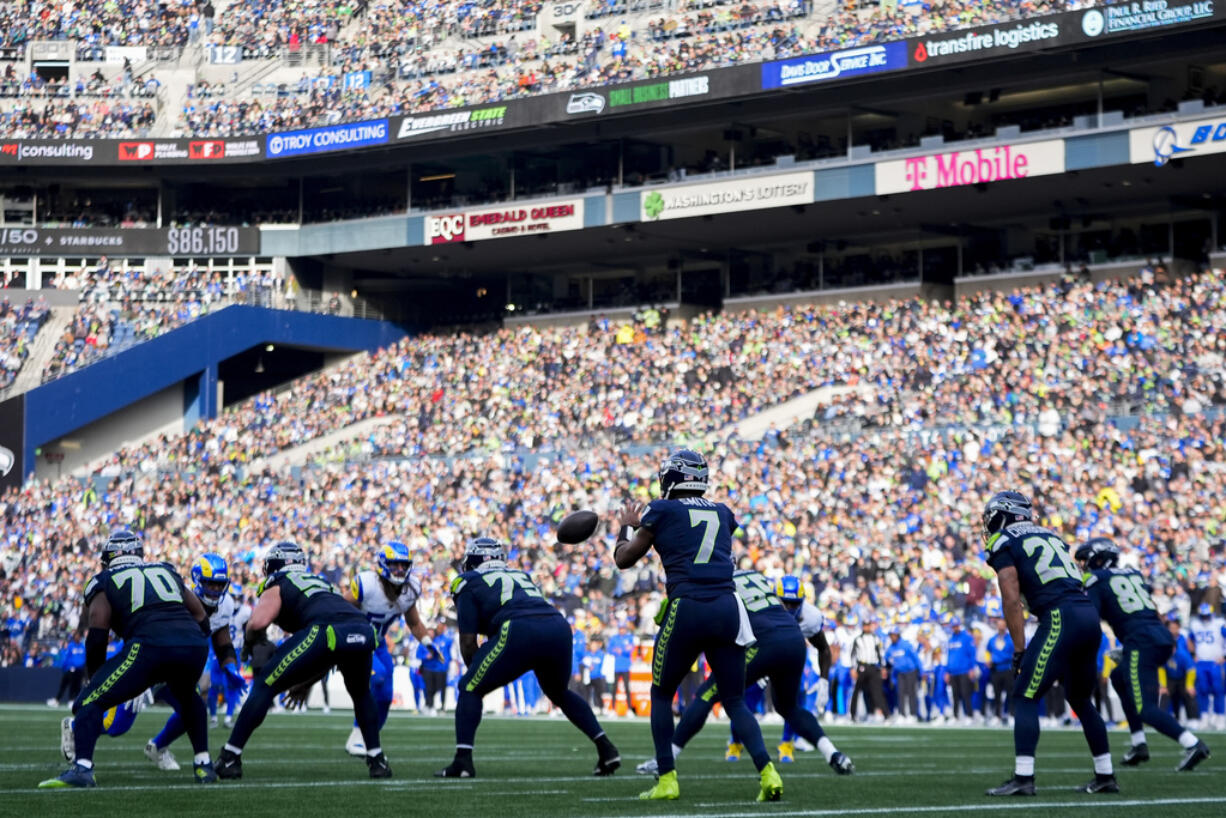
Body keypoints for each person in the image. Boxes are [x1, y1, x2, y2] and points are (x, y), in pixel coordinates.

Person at [614, 449, 783, 802]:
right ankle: (768, 772)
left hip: (690, 605)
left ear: (672, 477)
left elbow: (624, 560)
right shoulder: (722, 511)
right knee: (735, 699)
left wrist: (625, 526)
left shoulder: (661, 510)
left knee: (661, 695)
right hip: (727, 606)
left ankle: (667, 780)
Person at [39, 530, 216, 788]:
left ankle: (83, 769)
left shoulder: (102, 579)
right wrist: (191, 644)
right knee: (188, 696)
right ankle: (204, 766)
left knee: (88, 700)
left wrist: (95, 676)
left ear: (107, 559)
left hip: (149, 646)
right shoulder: (166, 571)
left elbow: (98, 630)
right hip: (193, 645)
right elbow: (200, 614)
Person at [433, 537, 620, 779]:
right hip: (557, 625)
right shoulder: (521, 576)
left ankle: (463, 761)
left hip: (519, 629)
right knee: (559, 692)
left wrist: (475, 673)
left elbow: (468, 641)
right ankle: (606, 748)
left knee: (468, 687)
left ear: (472, 562)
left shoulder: (467, 582)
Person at [635, 571, 853, 776]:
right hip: (794, 642)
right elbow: (821, 646)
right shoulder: (758, 579)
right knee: (789, 708)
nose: (788, 606)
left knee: (707, 694)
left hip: (763, 643)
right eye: (784, 602)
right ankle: (833, 754)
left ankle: (665, 758)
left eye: (793, 603)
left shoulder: (719, 583)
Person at [215, 541, 391, 780]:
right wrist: (306, 682)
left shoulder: (278, 583)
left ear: (272, 566)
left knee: (265, 683)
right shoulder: (322, 583)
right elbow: (333, 649)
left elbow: (257, 623)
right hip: (362, 629)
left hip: (325, 630)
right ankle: (377, 759)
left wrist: (249, 643)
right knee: (361, 694)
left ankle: (230, 756)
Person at [981, 491, 1117, 796]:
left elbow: (1011, 598)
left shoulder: (1004, 540)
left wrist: (1019, 649)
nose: (989, 524)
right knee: (1081, 699)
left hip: (1060, 616)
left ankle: (1024, 778)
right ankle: (1106, 774)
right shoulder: (1051, 535)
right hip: (1087, 615)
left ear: (1006, 514)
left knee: (1025, 694)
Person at [1076, 539, 1210, 771]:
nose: (1084, 566)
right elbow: (1149, 608)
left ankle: (1193, 744)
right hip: (1159, 635)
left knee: (1145, 709)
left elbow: (1090, 618)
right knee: (1119, 676)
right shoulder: (1134, 574)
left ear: (1098, 559)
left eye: (1086, 560)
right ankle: (1139, 743)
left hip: (1142, 641)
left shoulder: (1096, 580)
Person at [144, 553, 248, 771]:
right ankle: (78, 730)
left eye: (220, 585)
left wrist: (229, 665)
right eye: (210, 584)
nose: (215, 590)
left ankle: (158, 747)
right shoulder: (178, 600)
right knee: (115, 725)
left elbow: (222, 638)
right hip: (151, 662)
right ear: (197, 580)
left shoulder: (226, 604)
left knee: (192, 709)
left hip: (178, 668)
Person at [341, 541, 433, 756]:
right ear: (383, 564)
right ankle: (360, 738)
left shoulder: (410, 589)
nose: (400, 570)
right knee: (377, 677)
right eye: (394, 565)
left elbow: (414, 622)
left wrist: (428, 643)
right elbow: (339, 608)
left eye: (403, 565)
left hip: (378, 641)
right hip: (357, 639)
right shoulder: (367, 584)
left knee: (386, 695)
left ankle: (364, 738)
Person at [1188, 601, 1226, 729]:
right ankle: (1204, 716)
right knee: (1202, 690)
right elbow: (1190, 640)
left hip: (1216, 662)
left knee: (1218, 690)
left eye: (1207, 615)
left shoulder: (1219, 624)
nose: (1205, 618)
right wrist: (1193, 654)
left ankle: (1220, 716)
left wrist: (1224, 656)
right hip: (1201, 662)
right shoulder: (1196, 624)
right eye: (1203, 615)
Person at [849, 618, 888, 722]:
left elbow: (880, 653)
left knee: (877, 692)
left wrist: (883, 667)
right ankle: (853, 715)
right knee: (857, 691)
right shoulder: (858, 639)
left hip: (873, 667)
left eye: (868, 625)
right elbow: (853, 655)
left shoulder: (876, 638)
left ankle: (885, 715)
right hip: (862, 667)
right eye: (865, 625)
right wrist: (853, 668)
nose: (866, 627)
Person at [885, 627, 921, 723]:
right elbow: (887, 659)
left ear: (898, 635)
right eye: (891, 635)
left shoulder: (906, 644)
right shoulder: (890, 648)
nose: (892, 637)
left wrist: (921, 671)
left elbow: (916, 658)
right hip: (900, 673)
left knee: (911, 693)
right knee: (900, 694)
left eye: (894, 635)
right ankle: (902, 714)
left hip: (911, 672)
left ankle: (913, 714)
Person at [946, 617, 978, 723]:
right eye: (953, 626)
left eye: (956, 625)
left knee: (966, 694)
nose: (955, 628)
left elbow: (972, 654)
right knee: (955, 696)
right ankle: (955, 716)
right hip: (953, 672)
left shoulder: (967, 638)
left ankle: (969, 715)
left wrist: (972, 668)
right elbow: (949, 656)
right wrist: (947, 671)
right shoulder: (950, 639)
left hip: (964, 670)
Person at [985, 615, 1016, 724]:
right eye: (999, 625)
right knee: (997, 694)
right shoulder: (992, 639)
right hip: (996, 669)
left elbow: (1015, 653)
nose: (1001, 627)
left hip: (1007, 668)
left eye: (1003, 625)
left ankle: (1011, 715)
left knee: (1010, 693)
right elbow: (988, 651)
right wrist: (988, 660)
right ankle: (997, 715)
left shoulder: (1011, 639)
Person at [48, 635, 87, 707]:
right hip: (69, 669)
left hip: (78, 670)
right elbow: (67, 659)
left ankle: (72, 700)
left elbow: (83, 658)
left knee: (76, 686)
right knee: (64, 685)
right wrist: (65, 667)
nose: (77, 638)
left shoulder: (82, 647)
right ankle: (57, 700)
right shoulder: (70, 646)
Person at [608, 622, 635, 714]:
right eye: (620, 628)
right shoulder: (614, 638)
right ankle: (613, 709)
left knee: (627, 688)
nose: (621, 630)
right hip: (616, 667)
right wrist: (618, 650)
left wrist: (620, 650)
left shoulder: (629, 637)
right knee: (614, 689)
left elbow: (630, 650)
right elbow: (609, 650)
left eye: (623, 628)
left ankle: (629, 709)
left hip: (626, 667)